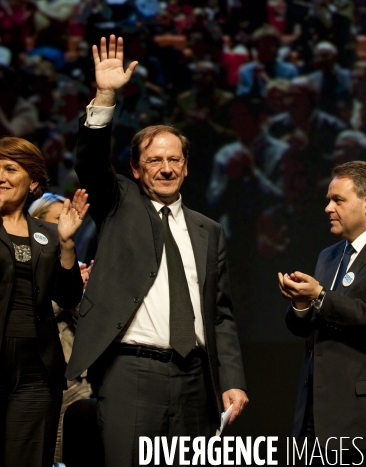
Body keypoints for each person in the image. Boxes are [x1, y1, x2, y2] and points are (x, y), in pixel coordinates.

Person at [66, 35, 248, 467]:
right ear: (135, 168)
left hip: (195, 380)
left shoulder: (209, 230)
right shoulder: (118, 205)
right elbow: (91, 163)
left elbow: (219, 313)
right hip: (132, 373)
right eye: (153, 161)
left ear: (186, 167)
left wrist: (233, 380)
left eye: (174, 160)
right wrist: (106, 96)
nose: (165, 168)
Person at [278, 161, 366, 465]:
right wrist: (302, 304)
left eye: (338, 200)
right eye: (328, 200)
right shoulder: (329, 255)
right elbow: (308, 326)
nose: (328, 208)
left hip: (364, 419)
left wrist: (319, 295)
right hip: (314, 416)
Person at [0, 136, 87, 467]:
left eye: (11, 168)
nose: (1, 176)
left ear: (33, 180)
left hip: (37, 370)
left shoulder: (47, 234)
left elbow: (67, 296)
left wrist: (66, 244)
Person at [28, 191, 93, 464]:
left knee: (75, 452)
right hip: (33, 378)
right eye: (57, 219)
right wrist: (64, 294)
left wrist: (82, 292)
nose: (65, 225)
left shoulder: (76, 265)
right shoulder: (23, 263)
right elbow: (29, 315)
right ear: (38, 223)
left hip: (75, 380)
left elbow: (88, 328)